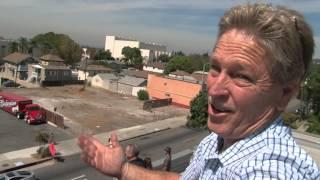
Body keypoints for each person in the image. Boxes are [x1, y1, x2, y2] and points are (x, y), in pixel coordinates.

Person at [78, 3, 320, 179]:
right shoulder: (217, 141)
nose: (214, 89)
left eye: (241, 76)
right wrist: (124, 169)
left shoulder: (271, 170)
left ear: (285, 94)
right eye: (215, 69)